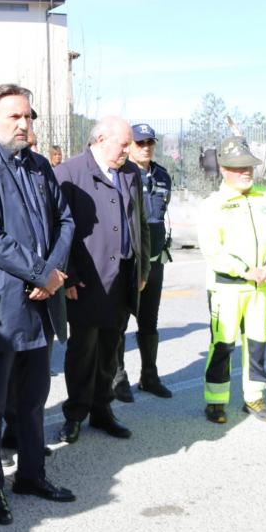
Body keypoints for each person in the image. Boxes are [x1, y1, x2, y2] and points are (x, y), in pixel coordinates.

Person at [0, 84, 76, 526]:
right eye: (15, 117)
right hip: (1, 307)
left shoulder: (40, 166)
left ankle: (31, 474)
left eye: (28, 116)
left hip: (41, 301)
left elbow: (65, 220)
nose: (24, 124)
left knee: (33, 398)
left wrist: (54, 271)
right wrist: (39, 272)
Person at [55, 116, 149, 445]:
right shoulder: (69, 174)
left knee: (111, 347)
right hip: (85, 281)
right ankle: (75, 414)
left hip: (122, 277)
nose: (129, 150)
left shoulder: (131, 173)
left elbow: (140, 224)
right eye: (123, 144)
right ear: (99, 140)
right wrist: (68, 276)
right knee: (83, 350)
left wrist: (142, 271)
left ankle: (102, 409)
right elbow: (57, 230)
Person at [197, 136, 266, 424]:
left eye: (249, 166)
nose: (246, 172)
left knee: (257, 344)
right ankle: (215, 400)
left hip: (262, 288)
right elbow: (213, 250)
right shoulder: (213, 205)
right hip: (227, 287)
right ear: (224, 169)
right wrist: (245, 270)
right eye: (238, 168)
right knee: (223, 345)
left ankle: (254, 398)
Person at [112, 124, 173, 402]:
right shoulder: (123, 174)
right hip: (129, 262)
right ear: (130, 145)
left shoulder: (162, 175)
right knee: (120, 321)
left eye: (150, 142)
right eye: (140, 142)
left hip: (155, 260)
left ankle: (149, 375)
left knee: (149, 322)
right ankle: (118, 378)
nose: (146, 147)